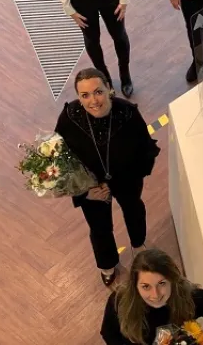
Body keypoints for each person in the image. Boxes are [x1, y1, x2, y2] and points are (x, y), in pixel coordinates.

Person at [55, 68, 160, 286]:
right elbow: (60, 160)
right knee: (99, 227)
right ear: (79, 97)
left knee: (133, 210)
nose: (93, 101)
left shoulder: (127, 113)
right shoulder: (69, 117)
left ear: (109, 89)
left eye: (98, 92)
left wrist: (123, 181)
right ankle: (107, 264)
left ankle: (138, 245)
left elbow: (145, 150)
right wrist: (84, 191)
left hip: (126, 179)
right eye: (85, 95)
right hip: (91, 187)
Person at [101, 248, 203, 345]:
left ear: (172, 280)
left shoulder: (191, 297)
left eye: (162, 283)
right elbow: (109, 334)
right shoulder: (119, 301)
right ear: (135, 285)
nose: (155, 295)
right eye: (146, 286)